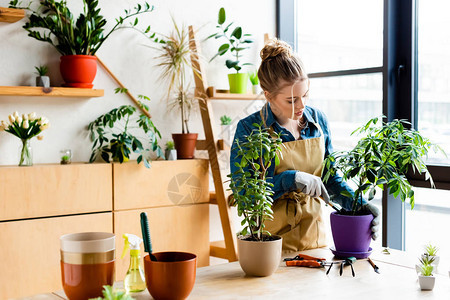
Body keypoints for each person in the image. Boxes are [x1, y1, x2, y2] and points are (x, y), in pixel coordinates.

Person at [230, 38, 380, 253]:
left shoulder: (317, 122)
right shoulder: (250, 129)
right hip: (267, 244)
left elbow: (331, 180)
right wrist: (289, 179)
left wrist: (360, 207)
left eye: (306, 95)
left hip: (315, 240)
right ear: (268, 96)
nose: (302, 106)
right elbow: (244, 195)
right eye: (292, 101)